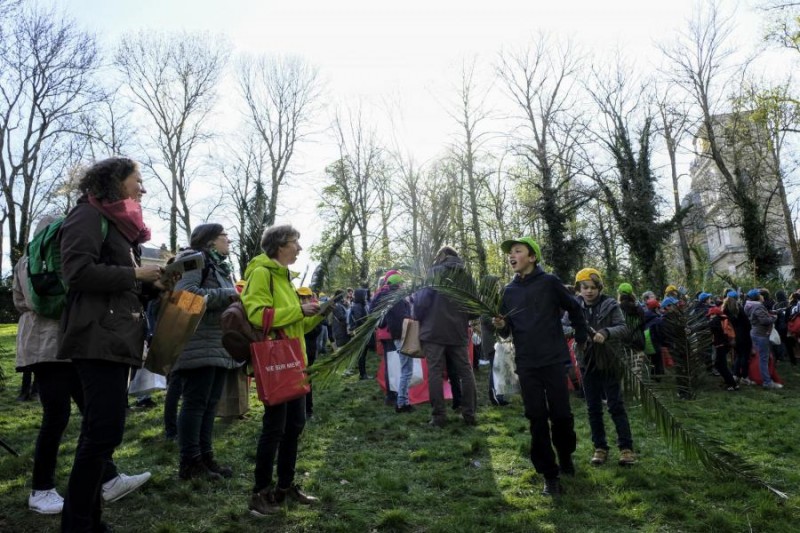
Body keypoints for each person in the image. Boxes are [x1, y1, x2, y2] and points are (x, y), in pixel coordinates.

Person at [15, 215, 150, 516]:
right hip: (55, 344)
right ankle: (42, 488)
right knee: (60, 416)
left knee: (91, 416)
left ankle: (109, 478)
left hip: (46, 343)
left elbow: (19, 300)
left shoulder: (24, 261)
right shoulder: (46, 258)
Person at [58, 157, 166, 532]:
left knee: (103, 433)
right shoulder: (87, 216)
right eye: (138, 180)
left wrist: (150, 287)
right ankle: (77, 524)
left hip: (116, 338)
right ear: (116, 181)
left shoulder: (121, 229)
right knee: (102, 433)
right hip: (95, 339)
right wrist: (135, 273)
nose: (143, 188)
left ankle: (90, 521)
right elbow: (77, 272)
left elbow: (119, 285)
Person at [492, 237, 588, 496]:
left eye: (517, 251)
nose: (512, 255)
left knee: (561, 416)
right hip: (526, 363)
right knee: (536, 418)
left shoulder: (550, 282)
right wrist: (501, 326)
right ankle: (550, 475)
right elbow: (505, 332)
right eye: (510, 253)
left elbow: (575, 308)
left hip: (554, 360)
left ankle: (565, 455)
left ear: (532, 257)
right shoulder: (508, 291)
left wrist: (580, 338)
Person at [242, 224, 323, 516]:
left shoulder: (286, 278)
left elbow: (294, 325)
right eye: (294, 242)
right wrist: (299, 310)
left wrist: (315, 315)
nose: (299, 248)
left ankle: (285, 486)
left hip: (295, 364)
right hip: (276, 366)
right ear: (279, 245)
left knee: (295, 426)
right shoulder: (262, 273)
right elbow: (258, 315)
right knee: (274, 429)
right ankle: (260, 493)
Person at [171, 223, 240, 480]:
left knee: (210, 404)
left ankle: (205, 457)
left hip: (216, 343)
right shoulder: (193, 259)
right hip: (198, 343)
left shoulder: (218, 266)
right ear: (211, 241)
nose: (229, 242)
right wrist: (229, 295)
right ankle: (189, 462)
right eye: (225, 237)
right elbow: (184, 297)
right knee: (195, 404)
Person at [573, 269, 635, 467]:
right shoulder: (574, 307)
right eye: (585, 287)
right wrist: (578, 331)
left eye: (593, 287)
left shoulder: (611, 305)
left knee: (615, 405)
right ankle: (600, 447)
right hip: (587, 362)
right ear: (579, 289)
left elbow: (623, 327)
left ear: (599, 288)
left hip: (609, 361)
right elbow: (563, 326)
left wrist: (606, 332)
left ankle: (626, 448)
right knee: (593, 407)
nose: (589, 291)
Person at [415, 247, 478, 428]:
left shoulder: (434, 272)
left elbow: (421, 302)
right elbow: (474, 308)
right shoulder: (465, 276)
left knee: (434, 372)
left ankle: (439, 417)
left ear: (441, 257)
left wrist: (418, 317)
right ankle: (469, 414)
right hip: (457, 331)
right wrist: (461, 318)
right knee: (466, 371)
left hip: (433, 331)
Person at [379, 275, 413, 413]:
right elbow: (403, 318)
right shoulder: (397, 299)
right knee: (406, 371)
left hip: (397, 336)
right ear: (399, 285)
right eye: (403, 284)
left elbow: (384, 322)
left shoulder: (389, 299)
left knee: (405, 370)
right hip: (402, 336)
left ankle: (404, 401)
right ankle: (401, 403)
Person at [743, 289, 781, 389]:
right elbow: (764, 321)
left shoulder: (748, 305)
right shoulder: (758, 306)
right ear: (758, 297)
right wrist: (774, 317)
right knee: (763, 359)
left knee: (759, 357)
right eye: (760, 295)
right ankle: (767, 382)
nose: (762, 296)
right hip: (761, 334)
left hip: (754, 332)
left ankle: (757, 377)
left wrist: (768, 313)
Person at [298, 286, 321, 418]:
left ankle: (308, 410)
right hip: (295, 351)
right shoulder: (296, 310)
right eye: (302, 297)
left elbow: (316, 331)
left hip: (309, 351)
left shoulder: (314, 310)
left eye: (306, 297)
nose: (304, 300)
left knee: (307, 381)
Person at [349, 288, 371, 380]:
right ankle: (363, 374)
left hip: (363, 332)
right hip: (360, 333)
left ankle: (363, 373)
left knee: (363, 354)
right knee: (361, 354)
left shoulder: (361, 305)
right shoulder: (357, 306)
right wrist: (368, 324)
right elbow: (358, 320)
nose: (366, 297)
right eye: (364, 295)